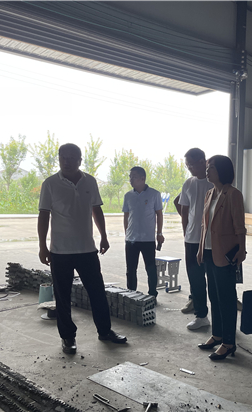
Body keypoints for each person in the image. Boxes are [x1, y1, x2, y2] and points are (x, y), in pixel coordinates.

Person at [38, 143, 127, 355]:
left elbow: (96, 209)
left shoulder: (90, 181)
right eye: (63, 157)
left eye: (71, 158)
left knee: (97, 292)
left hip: (87, 249)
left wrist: (104, 236)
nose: (66, 161)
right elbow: (44, 215)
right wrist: (42, 246)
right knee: (63, 297)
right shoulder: (50, 184)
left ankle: (105, 331)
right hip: (60, 251)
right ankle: (68, 337)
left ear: (80, 160)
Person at [197, 155, 246, 360]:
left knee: (226, 299)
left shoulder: (233, 194)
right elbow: (204, 225)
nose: (207, 171)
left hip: (226, 253)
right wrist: (200, 249)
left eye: (212, 168)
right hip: (209, 251)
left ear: (222, 171)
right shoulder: (210, 193)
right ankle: (217, 335)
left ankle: (228, 342)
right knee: (214, 296)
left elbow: (239, 226)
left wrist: (242, 249)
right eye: (207, 168)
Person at [173, 148, 214, 329]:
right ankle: (201, 316)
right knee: (196, 279)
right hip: (192, 240)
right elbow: (184, 211)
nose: (189, 168)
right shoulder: (188, 183)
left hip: (212, 241)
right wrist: (186, 234)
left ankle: (220, 318)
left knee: (213, 280)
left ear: (202, 162)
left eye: (191, 164)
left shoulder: (214, 183)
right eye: (187, 165)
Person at [123, 166, 164, 298]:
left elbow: (159, 214)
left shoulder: (154, 194)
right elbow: (126, 216)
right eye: (130, 177)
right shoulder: (128, 196)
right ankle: (131, 294)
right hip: (131, 239)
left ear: (142, 178)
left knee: (150, 268)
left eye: (134, 177)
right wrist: (126, 233)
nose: (131, 179)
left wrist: (159, 233)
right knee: (131, 269)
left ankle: (152, 294)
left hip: (148, 239)